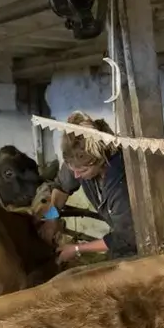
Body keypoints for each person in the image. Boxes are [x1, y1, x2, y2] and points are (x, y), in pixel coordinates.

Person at [47, 112, 137, 263]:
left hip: (136, 243)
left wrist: (76, 249)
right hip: (121, 236)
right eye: (72, 169)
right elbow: (62, 186)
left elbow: (127, 237)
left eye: (82, 171)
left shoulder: (122, 185)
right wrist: (51, 218)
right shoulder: (77, 159)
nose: (76, 175)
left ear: (99, 162)